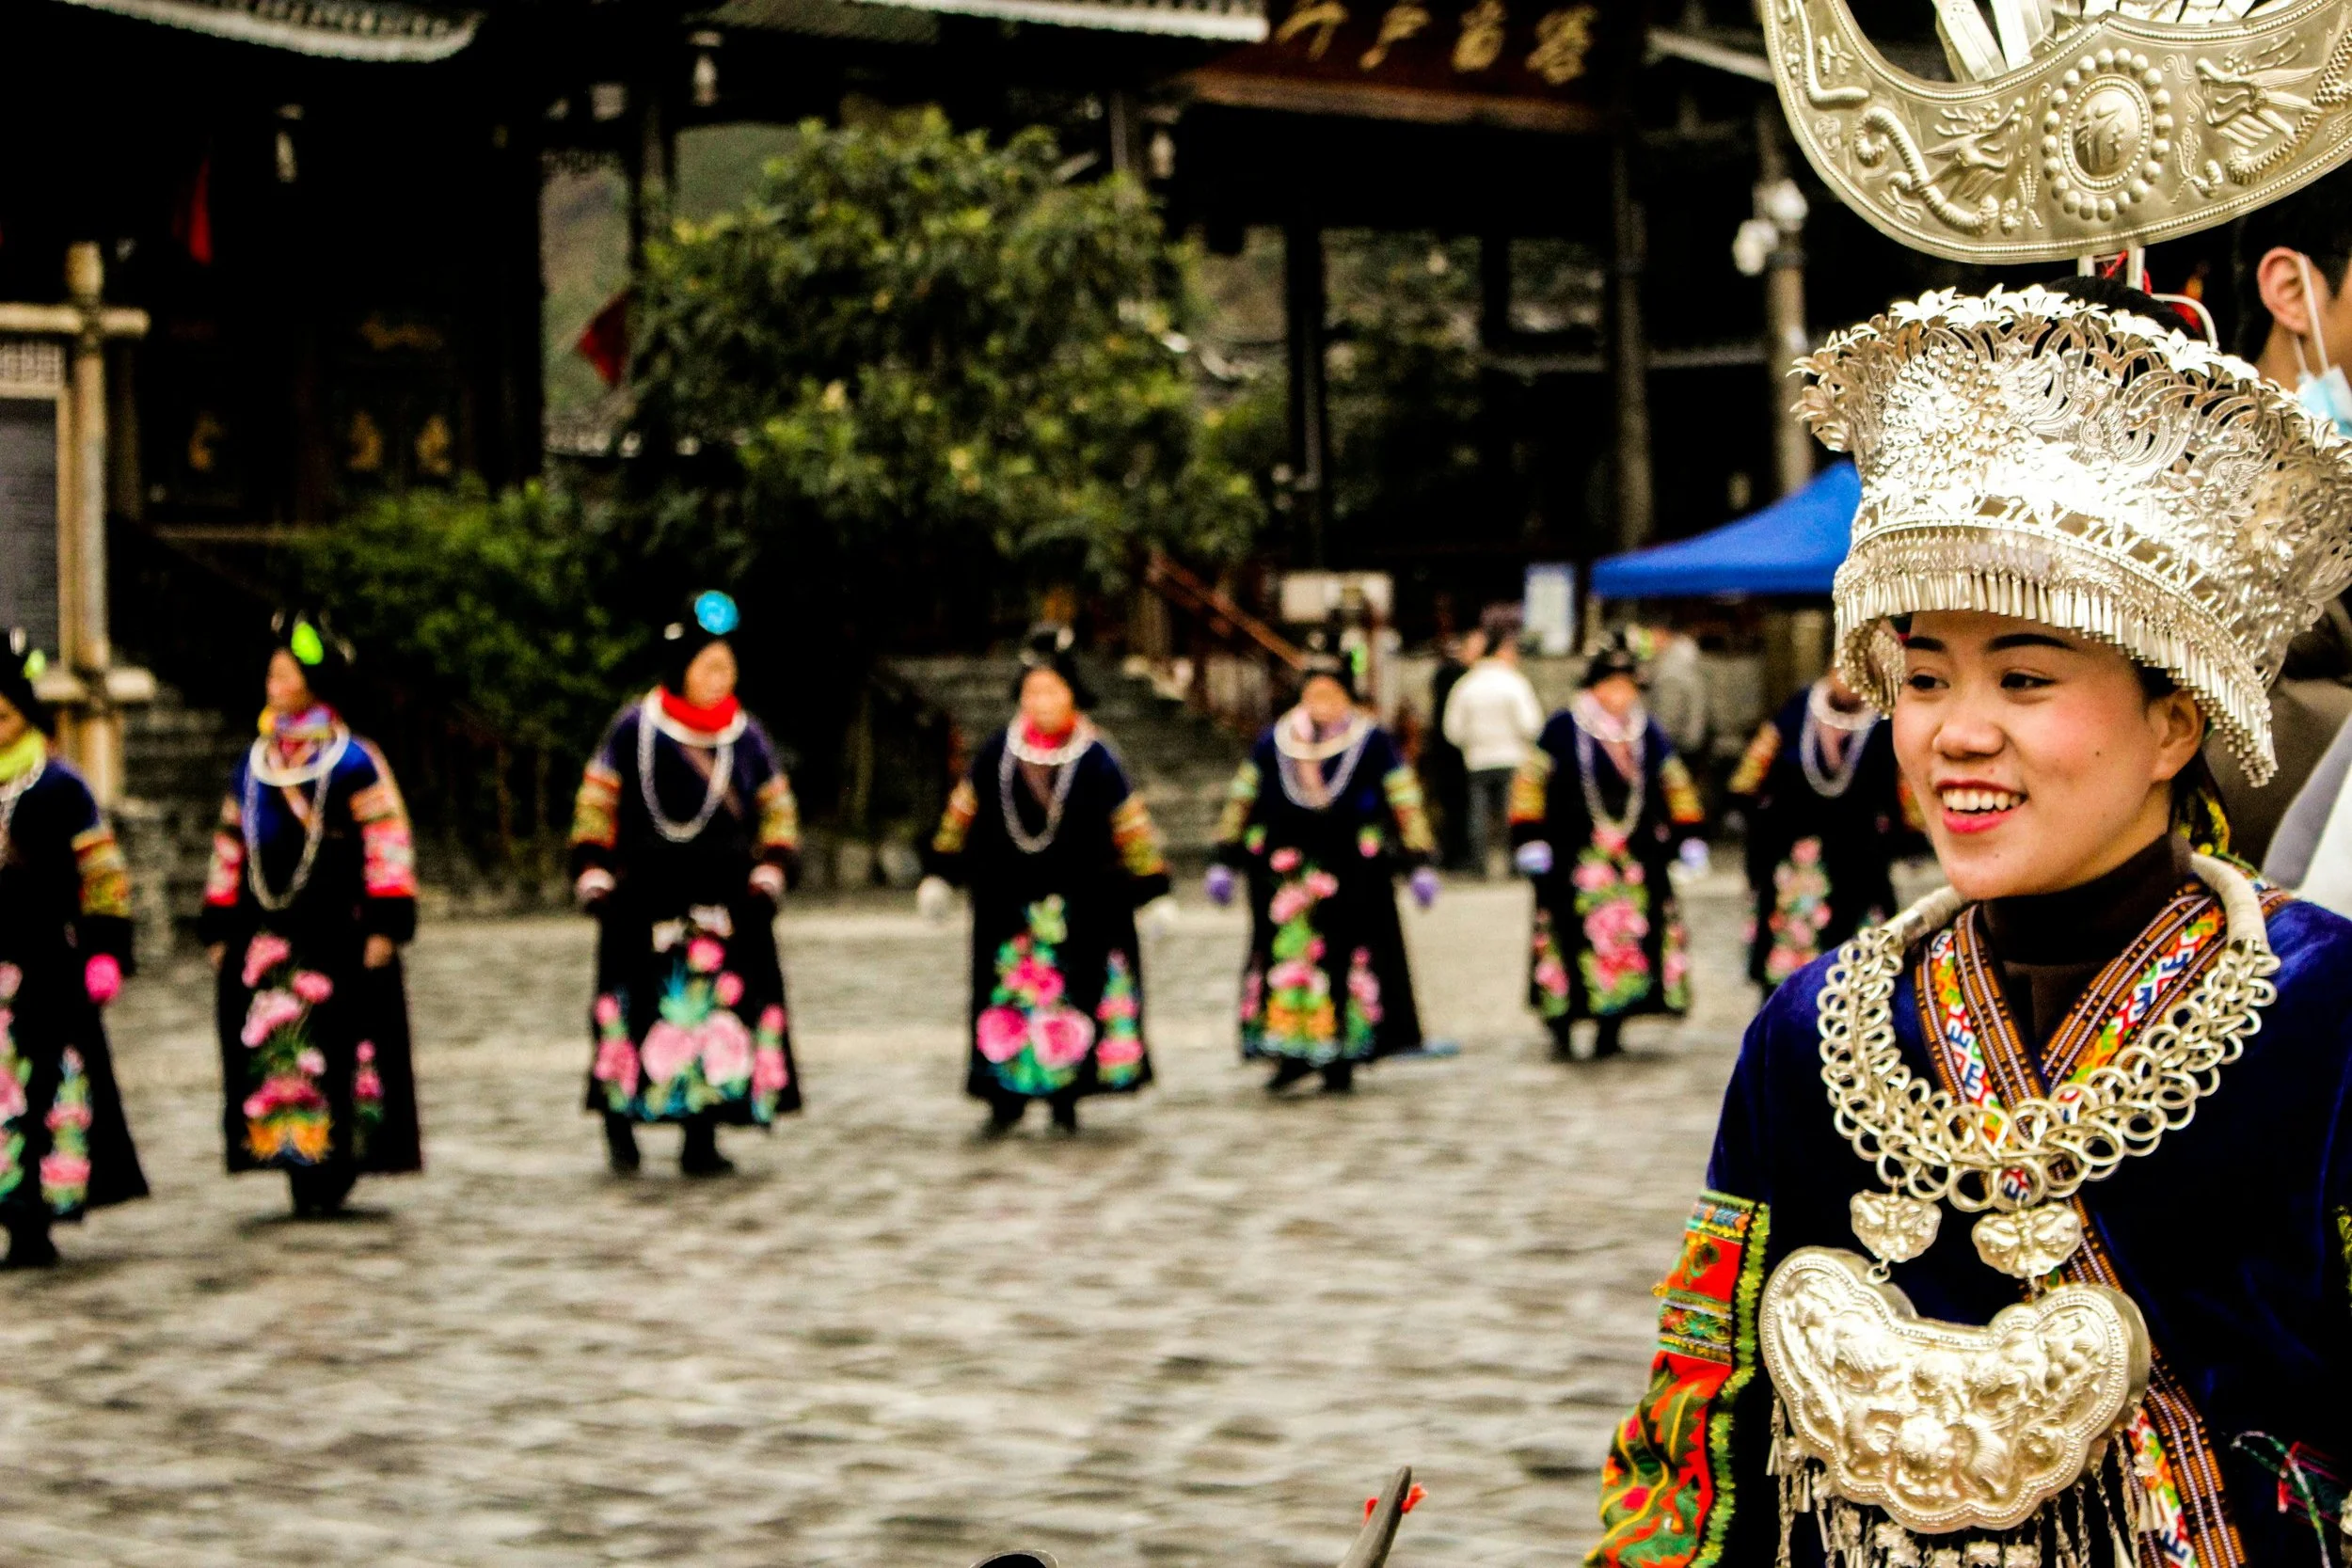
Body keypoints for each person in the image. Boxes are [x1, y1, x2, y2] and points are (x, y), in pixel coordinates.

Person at [1589, 281, 2352, 1568]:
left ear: (2178, 720)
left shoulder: (2322, 1010)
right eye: (1924, 675)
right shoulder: (1815, 1031)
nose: (1959, 731)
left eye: (2027, 676)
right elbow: (1696, 1429)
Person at [570, 590, 802, 1176]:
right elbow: (597, 801)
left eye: (728, 666)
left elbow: (777, 809)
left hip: (723, 898)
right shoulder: (634, 729)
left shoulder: (746, 736)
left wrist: (772, 869)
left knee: (714, 1011)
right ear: (682, 669)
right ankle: (621, 1123)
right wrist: (593, 870)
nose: (721, 678)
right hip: (643, 895)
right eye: (709, 667)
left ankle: (702, 1134)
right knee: (637, 1004)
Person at [199, 614, 421, 1217]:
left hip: (338, 934)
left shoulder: (354, 761)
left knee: (341, 1045)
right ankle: (291, 1151)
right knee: (279, 1048)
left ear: (313, 684)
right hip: (268, 934)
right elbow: (229, 846)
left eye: (285, 673)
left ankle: (337, 1160)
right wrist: (219, 923)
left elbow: (387, 842)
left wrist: (386, 922)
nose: (273, 684)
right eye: (270, 674)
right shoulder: (253, 764)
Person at [919, 626, 1172, 1135]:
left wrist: (1151, 888)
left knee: (1076, 990)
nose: (1043, 701)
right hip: (1006, 901)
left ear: (1073, 695)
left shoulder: (1098, 756)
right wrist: (940, 872)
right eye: (1033, 691)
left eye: (1053, 690)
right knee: (1006, 994)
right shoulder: (997, 753)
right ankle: (1004, 1092)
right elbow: (959, 814)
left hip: (1086, 903)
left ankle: (1067, 1092)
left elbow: (1131, 823)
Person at [1208, 654, 1437, 1092]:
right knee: (1288, 958)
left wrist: (1418, 857)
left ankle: (1343, 1051)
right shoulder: (1275, 740)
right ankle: (1289, 1050)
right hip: (1285, 873)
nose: (1321, 703)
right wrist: (1225, 853)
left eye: (1331, 694)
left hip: (1352, 874)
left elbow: (1403, 798)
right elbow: (1243, 795)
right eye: (1314, 694)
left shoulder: (1371, 741)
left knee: (1345, 959)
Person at [0, 630, 146, 1266]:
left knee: (41, 1093)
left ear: (26, 714)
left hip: (45, 968)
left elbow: (104, 874)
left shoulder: (60, 785)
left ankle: (35, 1214)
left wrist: (104, 948)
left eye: (2, 714)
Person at [1508, 644, 1704, 1061]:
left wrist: (1689, 832)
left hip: (1633, 858)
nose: (1618, 696)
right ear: (1593, 688)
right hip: (1571, 855)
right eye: (1609, 686)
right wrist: (1528, 835)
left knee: (1627, 939)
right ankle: (1561, 1020)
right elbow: (1530, 782)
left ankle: (1613, 1023)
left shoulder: (1645, 730)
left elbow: (1675, 782)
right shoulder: (1563, 728)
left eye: (1627, 686)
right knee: (1567, 934)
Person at [1724, 667, 1918, 993]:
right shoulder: (1801, 707)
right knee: (1790, 927)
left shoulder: (1883, 719)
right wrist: (1746, 801)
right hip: (1797, 845)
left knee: (1855, 933)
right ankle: (1782, 998)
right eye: (1843, 673)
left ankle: (1852, 999)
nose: (1849, 685)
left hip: (1858, 851)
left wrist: (1909, 832)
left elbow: (1902, 782)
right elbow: (1756, 765)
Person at [1441, 613, 1543, 880]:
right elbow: (1531, 723)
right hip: (1511, 757)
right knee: (1513, 814)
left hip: (1477, 758)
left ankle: (1480, 866)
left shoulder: (1466, 685)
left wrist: (1471, 743)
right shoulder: (1514, 682)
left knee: (1478, 814)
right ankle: (1515, 865)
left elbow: (1452, 729)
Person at [1424, 626, 1484, 872]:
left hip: (1446, 749)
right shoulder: (1460, 677)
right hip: (1456, 750)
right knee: (1459, 805)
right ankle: (1459, 855)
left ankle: (1453, 855)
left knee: (1453, 806)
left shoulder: (1443, 674)